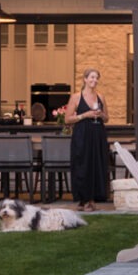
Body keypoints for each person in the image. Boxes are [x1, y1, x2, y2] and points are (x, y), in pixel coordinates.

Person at [54, 68, 111, 211]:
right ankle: (83, 198)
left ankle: (91, 199)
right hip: (82, 134)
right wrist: (85, 115)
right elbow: (67, 119)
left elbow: (107, 118)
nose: (94, 80)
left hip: (97, 134)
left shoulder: (101, 97)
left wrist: (100, 115)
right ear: (85, 79)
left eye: (96, 78)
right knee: (82, 165)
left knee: (96, 165)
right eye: (91, 77)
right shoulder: (76, 97)